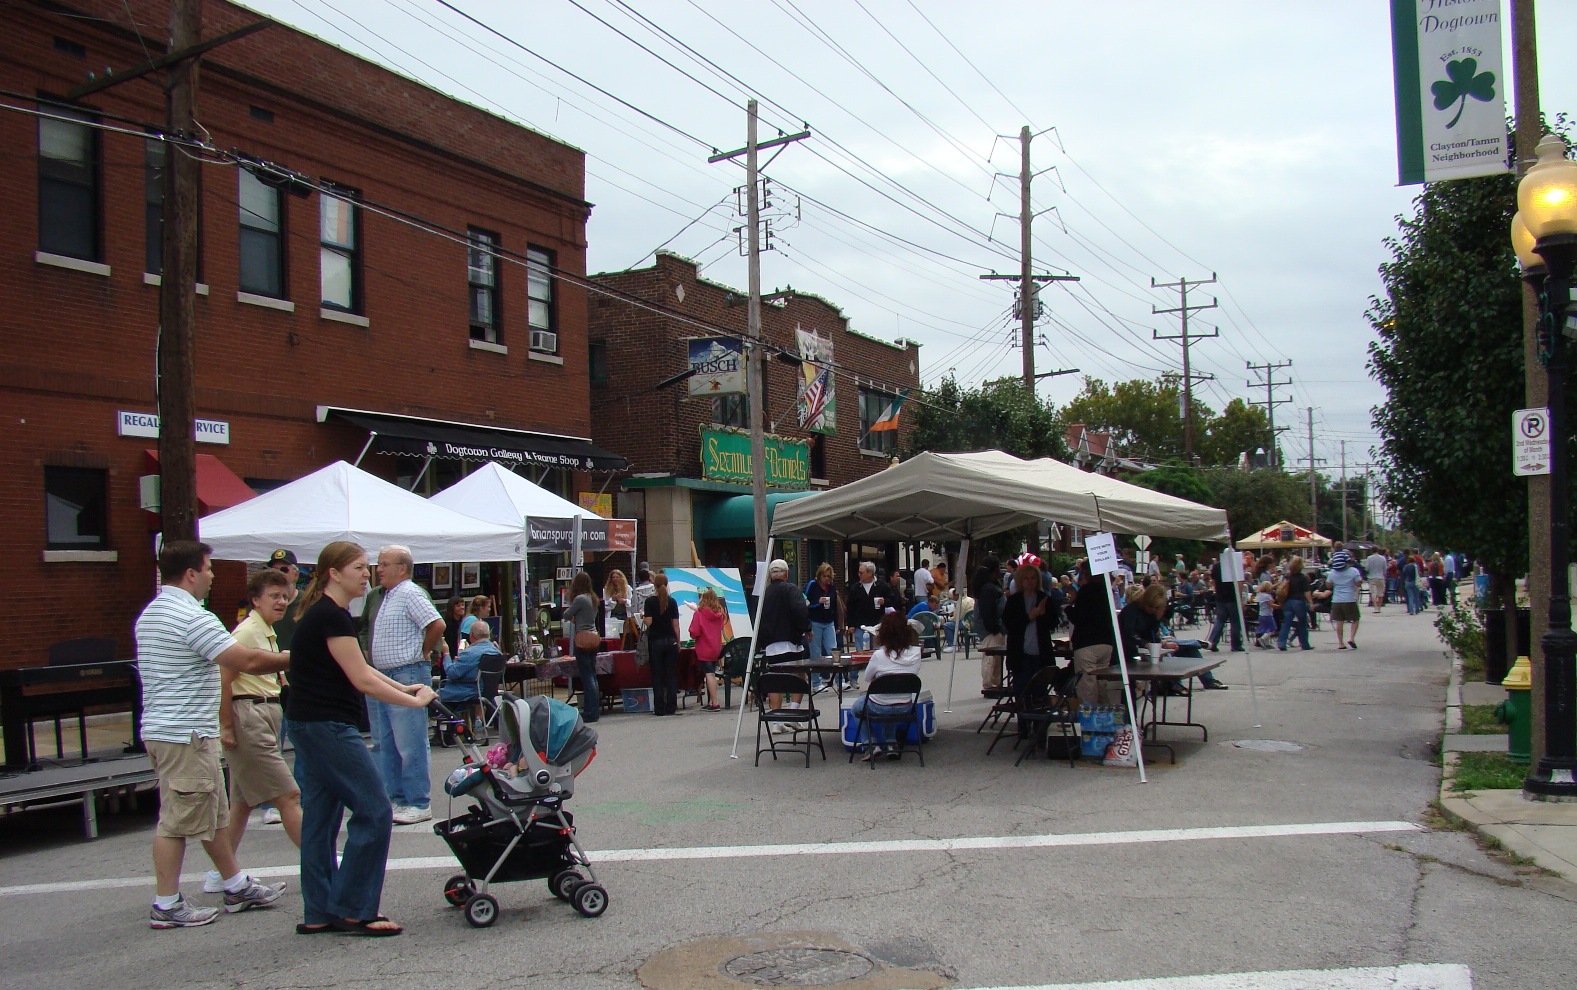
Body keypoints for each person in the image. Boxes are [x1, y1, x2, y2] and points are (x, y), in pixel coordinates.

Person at [136, 540, 292, 929]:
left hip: (165, 729)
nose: (211, 576)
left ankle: (235, 883)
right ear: (191, 573)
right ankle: (166, 904)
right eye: (208, 570)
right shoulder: (192, 616)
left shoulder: (152, 612)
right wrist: (302, 654)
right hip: (185, 732)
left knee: (213, 813)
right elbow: (247, 661)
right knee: (176, 820)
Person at [287, 541, 437, 937]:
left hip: (308, 725)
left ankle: (318, 911)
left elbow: (365, 669)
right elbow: (363, 680)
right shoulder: (331, 617)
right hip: (327, 727)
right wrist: (413, 702)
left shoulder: (326, 616)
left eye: (369, 567)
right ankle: (354, 908)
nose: (366, 574)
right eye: (358, 567)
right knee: (374, 809)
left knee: (319, 820)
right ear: (334, 573)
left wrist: (408, 691)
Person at [208, 568, 303, 896]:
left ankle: (220, 872)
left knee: (243, 802)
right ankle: (318, 857)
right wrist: (226, 726)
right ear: (255, 600)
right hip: (249, 713)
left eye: (284, 596)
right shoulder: (247, 632)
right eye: (273, 596)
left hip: (263, 712)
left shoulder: (266, 630)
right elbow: (224, 679)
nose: (281, 602)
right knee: (288, 794)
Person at [368, 544, 445, 825]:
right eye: (378, 564)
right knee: (384, 741)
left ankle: (417, 800)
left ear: (402, 568)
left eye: (384, 564)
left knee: (409, 740)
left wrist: (423, 651)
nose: (378, 570)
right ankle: (396, 798)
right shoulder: (387, 595)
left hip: (406, 673)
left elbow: (436, 624)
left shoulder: (410, 592)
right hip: (384, 675)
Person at [849, 611, 924, 761]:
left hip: (879, 704)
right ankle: (891, 743)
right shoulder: (916, 653)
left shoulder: (879, 655)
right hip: (905, 705)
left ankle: (870, 744)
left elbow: (867, 678)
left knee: (857, 708)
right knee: (892, 700)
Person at [758, 558, 811, 728]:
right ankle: (793, 713)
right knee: (799, 677)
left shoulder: (764, 593)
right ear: (787, 574)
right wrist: (807, 629)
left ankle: (777, 720)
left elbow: (758, 618)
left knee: (776, 681)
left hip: (771, 644)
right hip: (790, 641)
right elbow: (800, 610)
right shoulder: (791, 589)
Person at [1000, 562, 1058, 713]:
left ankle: (1039, 727)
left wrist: (1043, 615)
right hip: (1021, 654)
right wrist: (1029, 617)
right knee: (1022, 691)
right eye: (1026, 578)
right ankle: (1023, 726)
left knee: (1039, 692)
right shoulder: (1014, 601)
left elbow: (1053, 623)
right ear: (1020, 580)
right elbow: (1009, 624)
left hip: (1040, 653)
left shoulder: (1044, 598)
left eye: (1033, 578)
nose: (1030, 581)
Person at [1068, 564, 1119, 707]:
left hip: (1087, 643)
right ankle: (1105, 718)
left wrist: (1069, 608)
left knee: (1087, 686)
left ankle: (1089, 722)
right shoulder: (1108, 590)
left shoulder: (1087, 591)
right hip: (1106, 641)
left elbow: (1079, 617)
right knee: (1101, 683)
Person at [563, 572, 602, 723]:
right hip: (593, 636)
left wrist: (573, 617)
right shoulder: (593, 599)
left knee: (587, 676)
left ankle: (590, 711)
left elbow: (567, 614)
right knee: (592, 674)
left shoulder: (579, 599)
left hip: (583, 637)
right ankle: (594, 708)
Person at [643, 571, 681, 716]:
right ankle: (671, 706)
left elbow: (649, 622)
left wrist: (643, 616)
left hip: (656, 641)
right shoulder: (672, 601)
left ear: (655, 584)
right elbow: (676, 625)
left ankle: (659, 708)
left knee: (657, 675)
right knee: (671, 675)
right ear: (667, 584)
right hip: (670, 640)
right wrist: (678, 642)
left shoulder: (650, 601)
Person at [439, 622, 500, 707]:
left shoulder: (470, 653)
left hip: (469, 691)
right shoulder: (496, 651)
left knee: (434, 695)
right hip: (489, 691)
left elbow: (452, 673)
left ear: (471, 635)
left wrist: (446, 653)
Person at [688, 586, 727, 711]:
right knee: (713, 674)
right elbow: (720, 628)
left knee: (708, 674)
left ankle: (715, 702)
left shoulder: (699, 613)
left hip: (704, 647)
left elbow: (694, 632)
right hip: (716, 647)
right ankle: (712, 700)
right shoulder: (719, 614)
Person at [973, 556, 1006, 692]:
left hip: (993, 627)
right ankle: (989, 684)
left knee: (996, 658)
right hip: (992, 628)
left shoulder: (988, 587)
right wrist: (995, 628)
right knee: (991, 658)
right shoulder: (989, 589)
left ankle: (994, 682)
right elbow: (988, 611)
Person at [845, 561, 891, 653]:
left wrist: (885, 601)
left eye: (861, 573)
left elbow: (893, 600)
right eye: (858, 572)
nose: (859, 575)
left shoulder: (882, 586)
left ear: (870, 573)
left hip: (877, 625)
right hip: (860, 626)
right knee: (861, 653)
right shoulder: (855, 588)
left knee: (877, 652)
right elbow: (850, 607)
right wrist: (850, 624)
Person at [804, 563, 841, 668]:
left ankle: (840, 679)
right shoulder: (812, 585)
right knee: (815, 652)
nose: (826, 579)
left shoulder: (832, 587)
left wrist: (837, 624)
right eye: (824, 576)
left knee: (833, 650)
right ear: (819, 575)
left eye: (828, 576)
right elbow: (805, 602)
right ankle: (816, 681)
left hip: (829, 622)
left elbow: (834, 607)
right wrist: (817, 603)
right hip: (815, 621)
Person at [1206, 556, 1244, 653]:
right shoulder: (1235, 565)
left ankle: (1212, 642)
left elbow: (1212, 580)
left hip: (1220, 597)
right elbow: (1239, 583)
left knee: (1220, 620)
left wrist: (1217, 589)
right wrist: (1240, 599)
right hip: (1232, 597)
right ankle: (1235, 645)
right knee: (1235, 622)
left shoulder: (1216, 566)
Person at [266, 549, 303, 650]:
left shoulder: (307, 602)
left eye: (284, 570)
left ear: (296, 574)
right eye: (274, 570)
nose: (278, 574)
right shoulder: (261, 602)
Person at [1277, 556, 1315, 651]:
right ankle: (1304, 644)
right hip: (1299, 601)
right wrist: (1311, 603)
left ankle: (1282, 642)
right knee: (1302, 623)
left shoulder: (1288, 576)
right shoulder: (1303, 577)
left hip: (1288, 602)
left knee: (1287, 623)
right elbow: (1307, 592)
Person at [1328, 556, 1364, 650]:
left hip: (1336, 599)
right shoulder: (1353, 571)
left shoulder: (1332, 572)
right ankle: (1351, 638)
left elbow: (1328, 585)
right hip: (1349, 598)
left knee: (1339, 621)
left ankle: (1340, 643)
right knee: (1355, 619)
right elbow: (1358, 583)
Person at [603, 569, 632, 640]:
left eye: (617, 577)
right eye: (613, 577)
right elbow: (605, 605)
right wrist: (613, 599)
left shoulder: (627, 588)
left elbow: (631, 602)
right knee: (614, 634)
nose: (615, 579)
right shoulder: (606, 590)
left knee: (625, 635)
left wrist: (624, 601)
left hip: (625, 615)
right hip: (613, 616)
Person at [441, 596, 468, 666]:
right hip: (449, 656)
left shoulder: (463, 622)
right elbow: (449, 642)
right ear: (452, 608)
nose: (462, 607)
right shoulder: (447, 624)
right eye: (458, 606)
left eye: (462, 605)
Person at [1253, 581, 1278, 648]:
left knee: (1266, 628)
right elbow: (1271, 605)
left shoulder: (1259, 595)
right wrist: (1279, 606)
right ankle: (1263, 638)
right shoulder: (1268, 596)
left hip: (1261, 614)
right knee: (1272, 629)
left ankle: (1267, 643)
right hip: (1268, 614)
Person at [1363, 548, 1389, 613]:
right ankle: (1379, 607)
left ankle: (1375, 607)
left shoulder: (1369, 558)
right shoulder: (1383, 558)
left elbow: (1367, 568)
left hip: (1372, 577)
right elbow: (1385, 569)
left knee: (1373, 593)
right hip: (1381, 577)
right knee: (1380, 593)